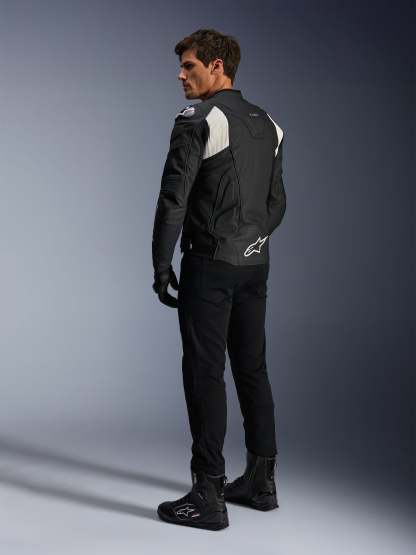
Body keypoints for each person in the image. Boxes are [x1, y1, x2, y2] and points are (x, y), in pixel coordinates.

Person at [151, 28, 286, 531]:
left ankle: (208, 494)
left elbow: (173, 199)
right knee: (252, 368)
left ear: (217, 67)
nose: (180, 76)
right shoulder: (269, 124)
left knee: (204, 372)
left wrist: (161, 265)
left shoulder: (199, 119)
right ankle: (261, 483)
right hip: (254, 265)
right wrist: (250, 241)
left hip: (209, 266)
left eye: (189, 66)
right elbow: (277, 204)